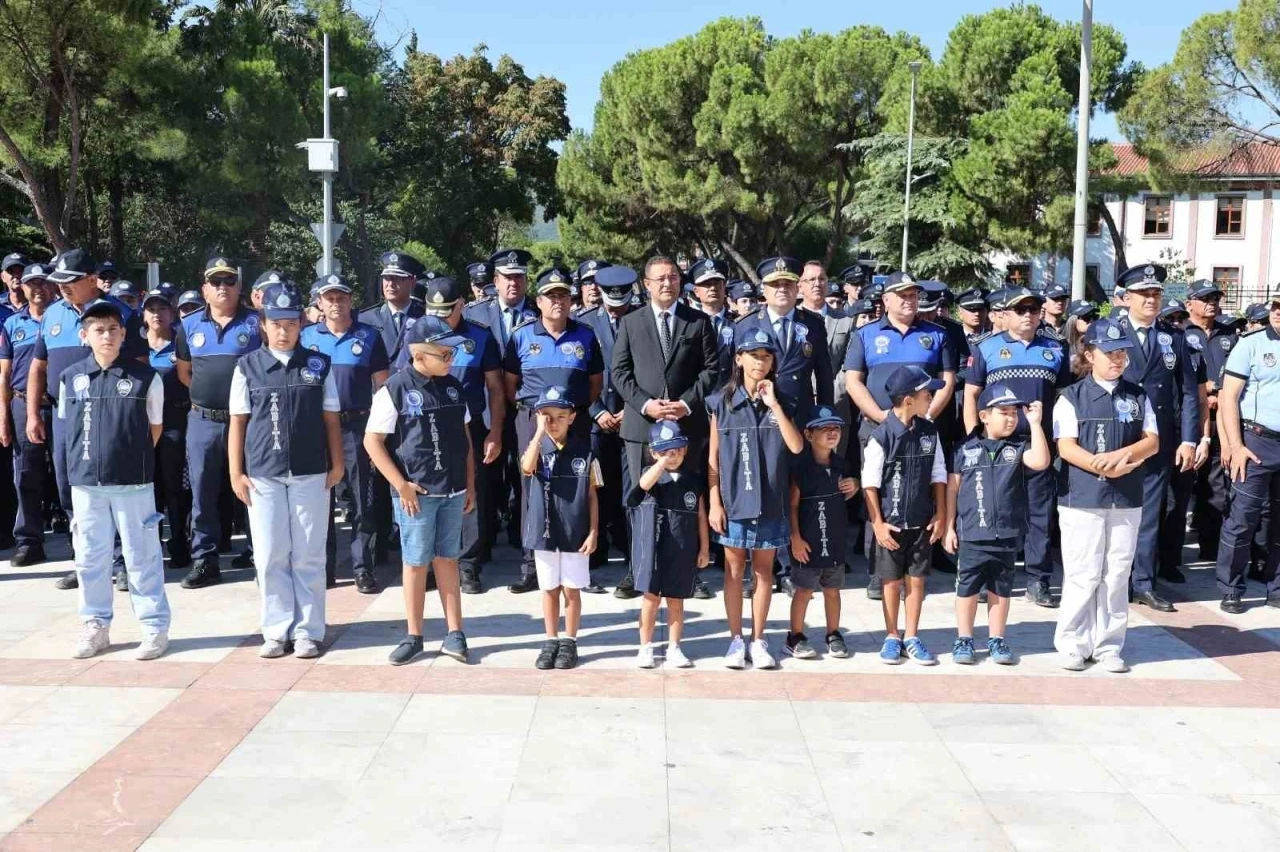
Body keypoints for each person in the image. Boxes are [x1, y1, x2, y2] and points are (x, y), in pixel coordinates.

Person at [227, 280, 343, 659]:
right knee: (270, 554)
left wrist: (337, 463)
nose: (283, 331)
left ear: (301, 324)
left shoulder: (318, 365)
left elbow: (331, 419)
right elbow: (238, 422)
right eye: (276, 323)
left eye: (291, 323)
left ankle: (308, 631)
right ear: (263, 324)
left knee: (309, 554)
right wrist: (236, 472)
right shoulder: (247, 367)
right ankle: (276, 631)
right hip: (263, 473)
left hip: (311, 470)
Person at [59, 299, 169, 661]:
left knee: (141, 556)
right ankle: (95, 625)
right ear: (85, 335)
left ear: (123, 334)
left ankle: (153, 627)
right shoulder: (71, 377)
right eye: (98, 330)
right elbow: (69, 429)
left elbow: (155, 427)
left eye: (112, 330)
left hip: (132, 483)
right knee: (90, 558)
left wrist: (128, 457)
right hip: (86, 483)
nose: (106, 336)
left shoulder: (145, 378)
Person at [28, 249, 145, 590]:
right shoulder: (52, 314)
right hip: (65, 416)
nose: (62, 287)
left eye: (70, 281)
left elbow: (139, 366)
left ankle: (121, 562)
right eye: (58, 282)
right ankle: (85, 562)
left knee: (113, 486)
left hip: (111, 415)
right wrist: (33, 414)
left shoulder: (121, 314)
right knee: (70, 486)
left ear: (92, 280)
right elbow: (39, 367)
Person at [365, 316, 476, 664]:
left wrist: (470, 485)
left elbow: (466, 440)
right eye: (444, 354)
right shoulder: (394, 390)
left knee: (448, 559)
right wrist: (401, 485)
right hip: (417, 494)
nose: (451, 360)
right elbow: (372, 442)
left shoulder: (454, 387)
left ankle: (455, 632)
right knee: (415, 563)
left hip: (453, 491)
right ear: (419, 355)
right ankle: (414, 635)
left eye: (452, 353)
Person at [844, 272, 958, 600]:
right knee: (876, 495)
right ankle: (879, 574)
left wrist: (926, 415)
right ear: (886, 300)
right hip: (877, 428)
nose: (910, 301)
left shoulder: (937, 334)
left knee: (917, 495)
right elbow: (853, 381)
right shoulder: (866, 334)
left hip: (921, 430)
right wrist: (883, 418)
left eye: (913, 295)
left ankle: (915, 571)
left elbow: (947, 380)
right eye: (903, 295)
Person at [1053, 319, 1159, 672]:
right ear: (1089, 354)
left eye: (1122, 353)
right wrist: (1103, 468)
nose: (1117, 359)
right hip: (1082, 498)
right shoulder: (1071, 397)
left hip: (1126, 497)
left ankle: (1109, 645)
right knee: (1083, 573)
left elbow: (1152, 441)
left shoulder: (1137, 395)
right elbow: (1066, 447)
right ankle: (1073, 643)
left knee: (1116, 574)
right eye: (1109, 352)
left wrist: (1119, 458)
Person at [611, 255, 719, 587]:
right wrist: (646, 405)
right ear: (646, 285)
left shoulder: (698, 321)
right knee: (641, 497)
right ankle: (638, 567)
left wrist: (685, 404)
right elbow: (619, 372)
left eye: (672, 277)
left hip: (685, 427)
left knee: (686, 498)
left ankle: (689, 570)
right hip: (642, 428)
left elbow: (712, 370)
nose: (667, 283)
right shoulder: (631, 322)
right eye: (659, 279)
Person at [965, 287, 1070, 608]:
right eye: (1021, 310)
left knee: (1040, 514)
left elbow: (1064, 398)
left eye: (1033, 310)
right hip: (997, 445)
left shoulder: (1055, 348)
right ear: (1005, 314)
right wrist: (974, 438)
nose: (1028, 315)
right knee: (995, 511)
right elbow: (971, 395)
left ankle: (1038, 580)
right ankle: (990, 577)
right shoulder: (987, 347)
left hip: (1038, 442)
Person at [707, 330, 805, 670]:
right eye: (753, 355)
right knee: (734, 571)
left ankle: (758, 639)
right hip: (734, 501)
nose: (760, 362)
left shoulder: (783, 401)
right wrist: (714, 501)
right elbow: (712, 459)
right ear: (739, 359)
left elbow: (796, 447)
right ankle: (736, 639)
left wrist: (774, 403)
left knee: (764, 571)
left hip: (770, 500)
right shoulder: (721, 402)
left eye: (766, 356)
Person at [503, 268, 604, 593]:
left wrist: (571, 413)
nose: (558, 301)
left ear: (571, 301)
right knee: (530, 489)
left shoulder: (586, 335)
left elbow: (595, 383)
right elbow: (509, 384)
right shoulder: (522, 336)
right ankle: (531, 566)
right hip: (533, 422)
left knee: (577, 488)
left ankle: (578, 562)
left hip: (574, 421)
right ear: (539, 301)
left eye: (563, 295)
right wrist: (537, 416)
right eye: (551, 296)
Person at [405, 276, 504, 596]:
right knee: (430, 495)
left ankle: (468, 565)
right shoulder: (417, 333)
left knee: (470, 495)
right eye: (434, 312)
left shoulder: (480, 335)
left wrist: (495, 431)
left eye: (447, 311)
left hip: (469, 425)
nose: (441, 318)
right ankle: (431, 564)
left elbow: (495, 388)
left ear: (461, 305)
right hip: (426, 428)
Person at [1115, 264, 1203, 612]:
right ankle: (1115, 581)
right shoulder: (1110, 331)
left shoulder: (1173, 337)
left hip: (1159, 439)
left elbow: (1189, 393)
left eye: (1156, 294)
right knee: (1114, 512)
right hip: (1118, 435)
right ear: (1126, 298)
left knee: (1151, 513)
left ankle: (1143, 583)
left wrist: (1189, 440)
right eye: (1144, 294)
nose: (1151, 300)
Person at [944, 385, 1050, 666]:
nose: (1011, 418)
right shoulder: (965, 449)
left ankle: (997, 639)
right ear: (984, 416)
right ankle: (964, 638)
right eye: (1004, 412)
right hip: (972, 532)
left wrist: (1035, 424)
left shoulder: (1017, 448)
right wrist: (949, 527)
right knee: (967, 588)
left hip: (1006, 533)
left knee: (1001, 588)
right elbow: (952, 489)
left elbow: (1041, 461)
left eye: (1014, 413)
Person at [174, 257, 262, 589]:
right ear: (205, 290)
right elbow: (185, 373)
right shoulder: (189, 325)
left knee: (253, 487)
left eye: (229, 281)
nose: (222, 287)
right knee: (203, 490)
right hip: (204, 420)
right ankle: (205, 560)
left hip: (250, 421)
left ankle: (258, 554)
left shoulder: (256, 323)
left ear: (240, 287)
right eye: (216, 282)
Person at [301, 273, 390, 595]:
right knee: (319, 499)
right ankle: (324, 567)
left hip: (356, 425)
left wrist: (379, 430)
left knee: (361, 498)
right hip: (317, 428)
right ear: (320, 303)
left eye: (341, 298)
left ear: (351, 301)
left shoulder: (369, 337)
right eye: (330, 298)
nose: (336, 303)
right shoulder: (306, 337)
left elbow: (382, 386)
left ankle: (362, 567)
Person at [862, 365, 948, 665]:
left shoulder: (929, 431)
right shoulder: (881, 435)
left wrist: (940, 513)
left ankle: (911, 635)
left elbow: (939, 473)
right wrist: (878, 523)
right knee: (890, 581)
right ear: (909, 399)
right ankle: (892, 635)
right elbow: (870, 483)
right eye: (927, 394)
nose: (931, 398)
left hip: (922, 522)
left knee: (917, 580)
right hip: (891, 524)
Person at [521, 385, 601, 671]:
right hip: (544, 533)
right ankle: (551, 639)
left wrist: (593, 531)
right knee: (549, 588)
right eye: (546, 416)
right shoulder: (537, 448)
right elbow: (526, 468)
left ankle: (569, 640)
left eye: (560, 416)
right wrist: (538, 434)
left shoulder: (585, 452)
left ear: (572, 417)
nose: (553, 422)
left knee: (572, 589)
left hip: (575, 533)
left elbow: (592, 495)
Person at [464, 248, 538, 555]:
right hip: (485, 409)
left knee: (526, 475)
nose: (513, 283)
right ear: (495, 281)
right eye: (507, 277)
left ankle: (525, 541)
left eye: (519, 277)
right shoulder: (474, 314)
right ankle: (482, 541)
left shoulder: (540, 311)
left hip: (525, 410)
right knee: (485, 477)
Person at [1214, 287, 1280, 613]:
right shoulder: (1251, 344)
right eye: (1277, 305)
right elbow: (1228, 397)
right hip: (1256, 442)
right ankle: (1231, 588)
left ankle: (1276, 587)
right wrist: (1235, 445)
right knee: (1242, 519)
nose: (1278, 312)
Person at [577, 266, 637, 596]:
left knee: (632, 490)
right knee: (596, 488)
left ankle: (633, 554)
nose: (616, 307)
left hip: (633, 418)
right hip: (596, 421)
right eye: (611, 301)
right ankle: (596, 550)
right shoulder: (585, 323)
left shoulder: (641, 319)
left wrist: (632, 409)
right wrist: (597, 410)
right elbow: (580, 373)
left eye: (621, 301)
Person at [629, 420, 708, 668]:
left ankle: (674, 647)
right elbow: (642, 486)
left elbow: (701, 515)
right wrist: (661, 463)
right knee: (651, 598)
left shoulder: (693, 480)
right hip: (653, 549)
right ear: (653, 453)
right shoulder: (650, 474)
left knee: (676, 600)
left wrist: (704, 548)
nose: (672, 455)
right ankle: (645, 647)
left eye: (676, 450)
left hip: (682, 549)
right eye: (664, 450)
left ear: (685, 450)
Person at [786, 405, 858, 660]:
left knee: (833, 590)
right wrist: (795, 538)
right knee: (804, 590)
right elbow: (792, 506)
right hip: (807, 542)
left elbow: (849, 494)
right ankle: (795, 636)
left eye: (836, 428)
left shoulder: (842, 465)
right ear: (808, 434)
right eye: (824, 428)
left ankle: (833, 634)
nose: (832, 432)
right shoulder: (800, 468)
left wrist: (856, 484)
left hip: (835, 541)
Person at [0, 262, 54, 564]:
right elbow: (4, 375)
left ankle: (81, 543)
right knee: (25, 475)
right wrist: (3, 418)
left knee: (68, 477)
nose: (38, 289)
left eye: (43, 282)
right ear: (23, 287)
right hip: (22, 405)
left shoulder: (64, 318)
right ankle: (29, 542)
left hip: (59, 405)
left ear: (52, 285)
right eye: (31, 283)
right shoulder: (12, 324)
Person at [1183, 280, 1236, 562]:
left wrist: (1221, 394)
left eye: (1215, 297)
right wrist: (1206, 392)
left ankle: (1210, 548)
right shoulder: (1180, 332)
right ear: (1189, 303)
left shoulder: (1229, 334)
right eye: (1205, 298)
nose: (1211, 303)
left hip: (1222, 421)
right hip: (1189, 419)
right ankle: (1170, 552)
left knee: (1216, 485)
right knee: (1182, 485)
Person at [142, 287, 192, 571]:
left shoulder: (181, 344)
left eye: (162, 308)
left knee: (176, 489)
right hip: (145, 426)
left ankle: (179, 545)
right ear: (144, 315)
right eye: (151, 309)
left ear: (172, 313)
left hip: (175, 422)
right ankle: (151, 547)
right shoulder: (136, 348)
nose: (157, 314)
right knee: (150, 489)